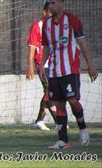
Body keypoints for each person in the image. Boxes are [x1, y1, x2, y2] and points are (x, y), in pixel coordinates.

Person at [39, 0, 98, 149]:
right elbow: (46, 46)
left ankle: (83, 128)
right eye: (49, 3)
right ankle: (63, 140)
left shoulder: (72, 20)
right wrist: (41, 65)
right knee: (58, 104)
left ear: (61, 4)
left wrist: (90, 65)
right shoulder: (46, 24)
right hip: (53, 71)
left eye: (53, 2)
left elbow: (83, 44)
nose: (50, 6)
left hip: (70, 70)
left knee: (72, 100)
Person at [26, 2, 56, 131]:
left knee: (49, 91)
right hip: (42, 64)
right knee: (49, 90)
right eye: (50, 11)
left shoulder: (57, 26)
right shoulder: (37, 26)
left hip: (55, 63)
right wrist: (30, 66)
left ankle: (39, 120)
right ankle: (59, 121)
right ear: (45, 12)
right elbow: (32, 47)